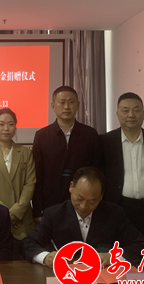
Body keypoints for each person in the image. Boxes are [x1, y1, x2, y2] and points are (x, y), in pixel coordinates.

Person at [22, 167, 144, 267]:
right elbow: (28, 243)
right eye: (79, 198)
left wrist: (113, 257)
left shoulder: (114, 214)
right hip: (66, 278)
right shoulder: (54, 214)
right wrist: (45, 257)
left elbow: (141, 245)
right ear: (71, 187)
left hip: (103, 279)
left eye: (92, 201)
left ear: (101, 196)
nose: (84, 206)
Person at [101, 92, 144, 250]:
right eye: (125, 110)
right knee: (118, 254)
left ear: (143, 114)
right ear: (118, 114)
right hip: (118, 207)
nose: (131, 115)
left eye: (136, 110)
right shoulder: (104, 142)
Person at [31, 86, 101, 221]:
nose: (66, 107)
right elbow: (37, 174)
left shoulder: (90, 134)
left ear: (78, 105)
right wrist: (38, 210)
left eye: (71, 102)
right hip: (50, 201)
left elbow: (96, 171)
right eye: (62, 102)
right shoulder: (42, 136)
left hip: (83, 201)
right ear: (53, 106)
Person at [0, 108, 36, 259]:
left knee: (23, 266)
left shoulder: (26, 153)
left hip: (22, 220)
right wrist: (5, 214)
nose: (6, 128)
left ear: (15, 126)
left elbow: (30, 184)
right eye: (1, 124)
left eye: (10, 124)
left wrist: (15, 212)